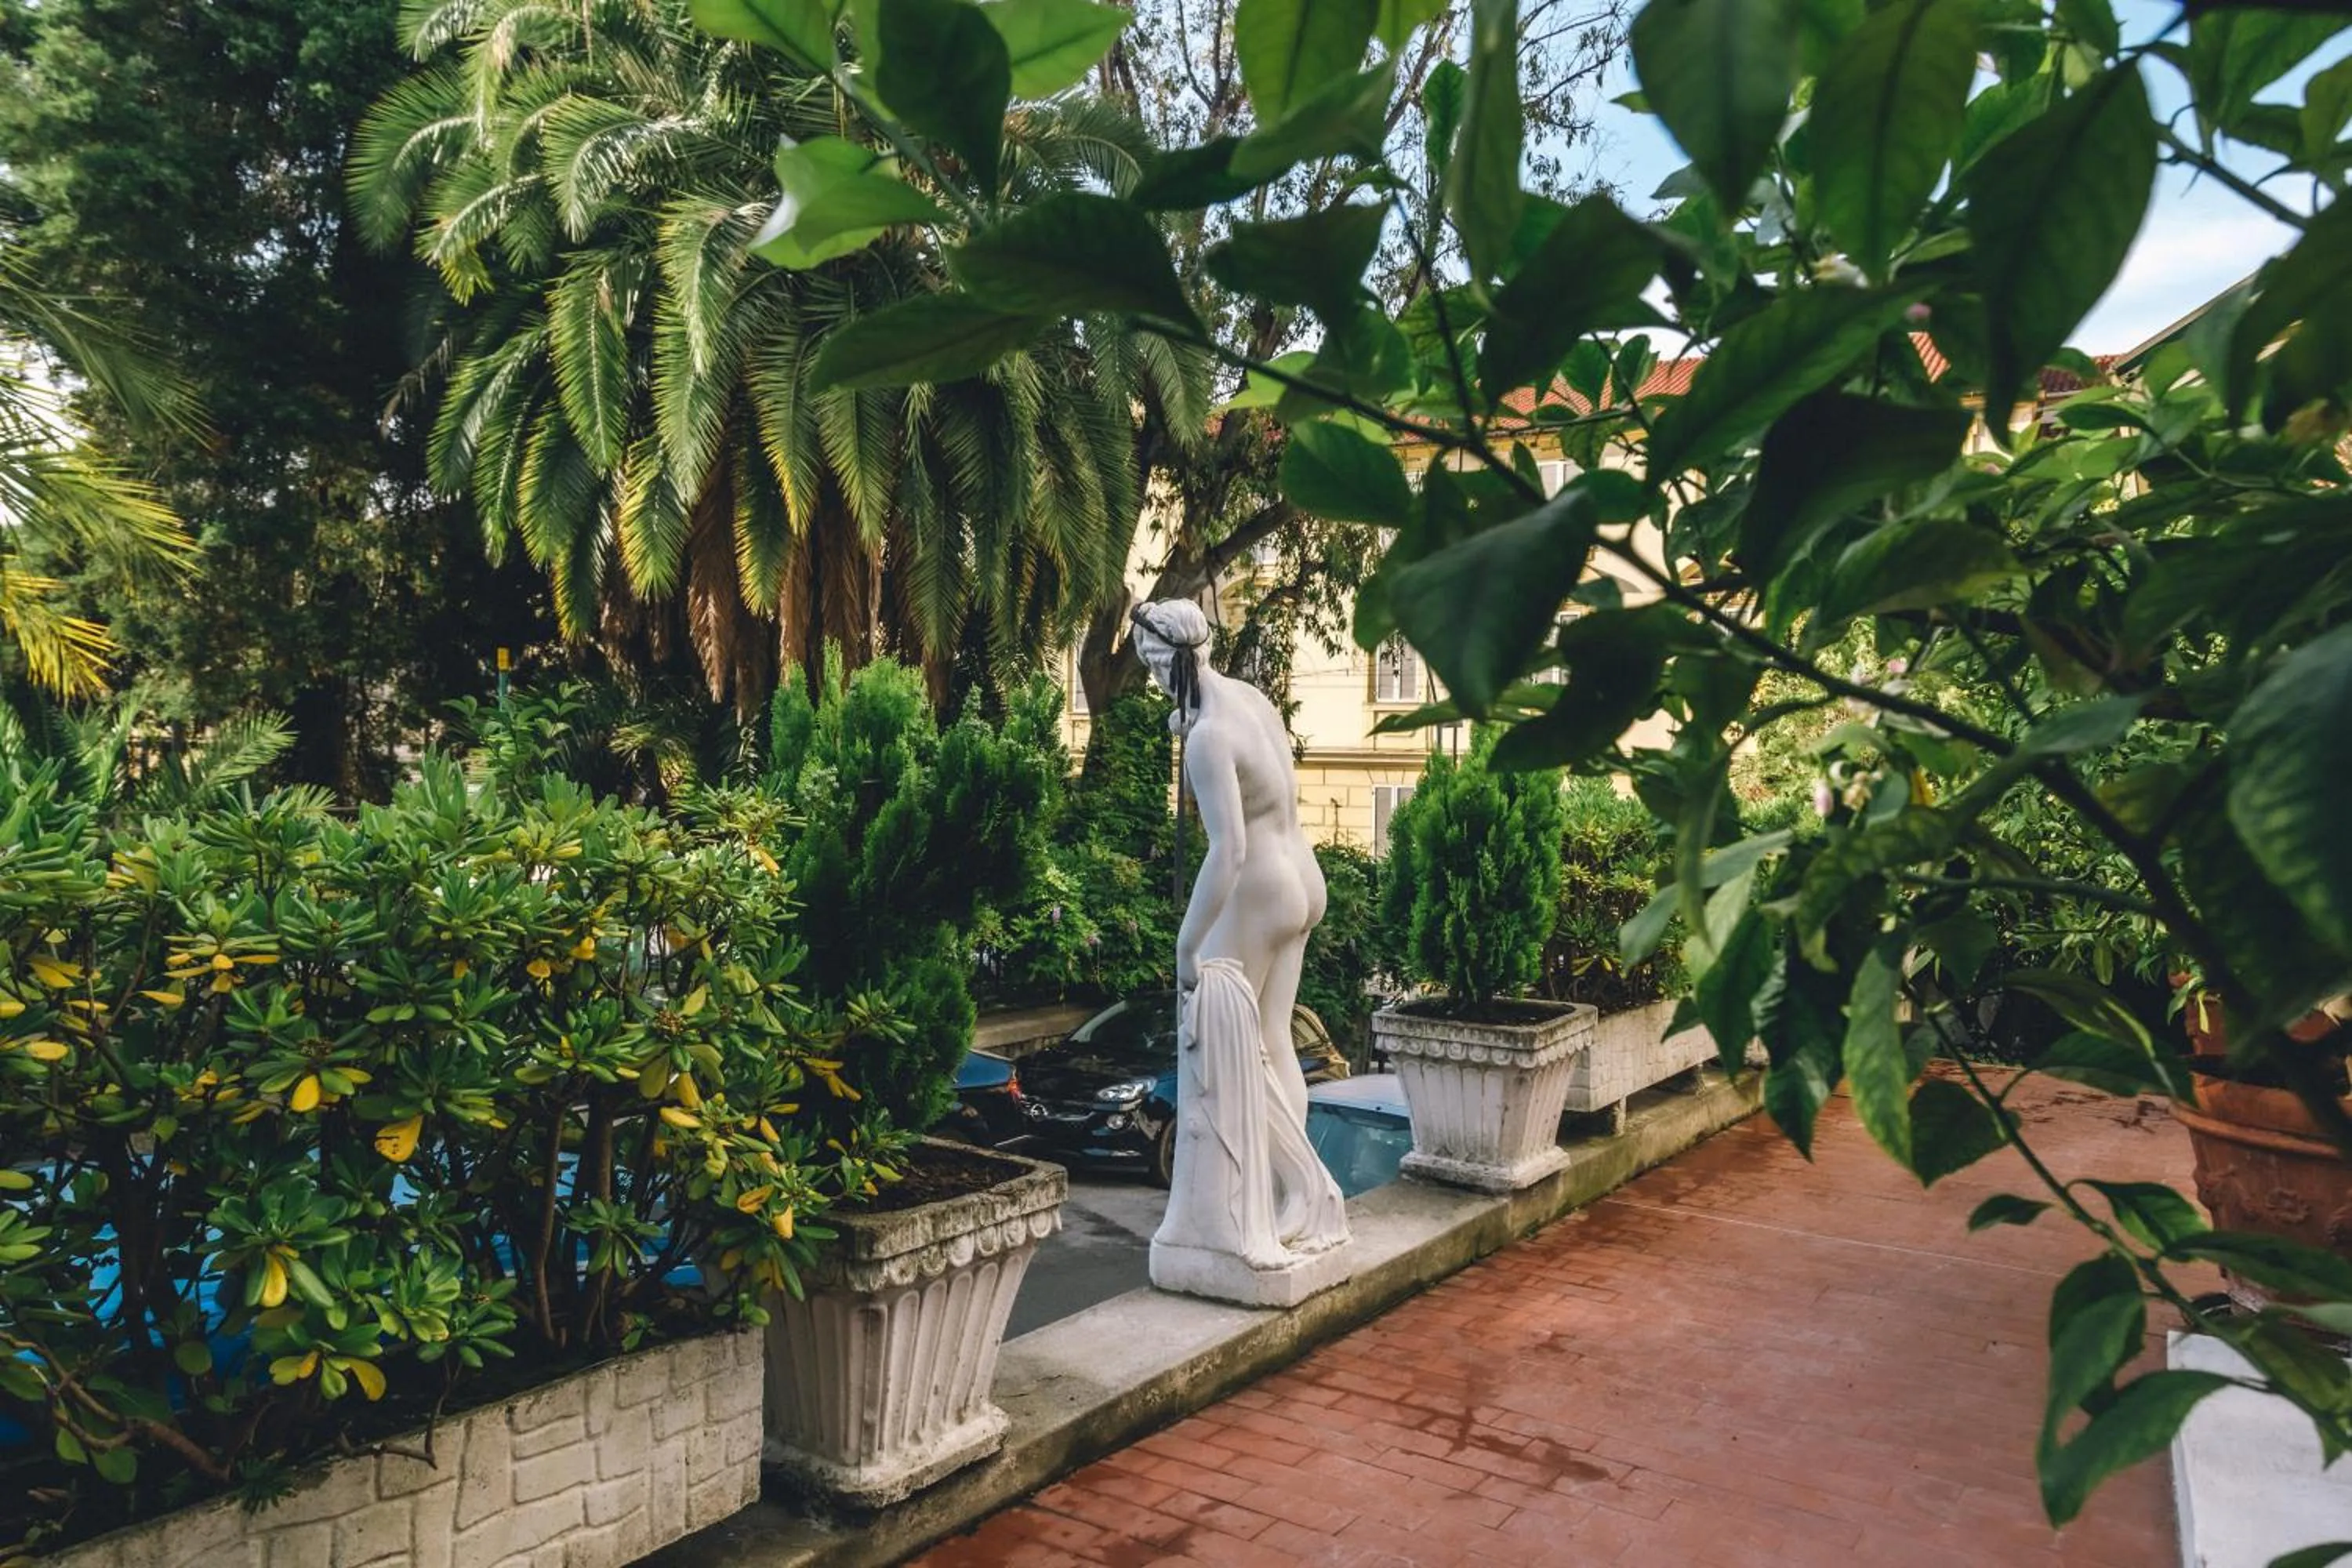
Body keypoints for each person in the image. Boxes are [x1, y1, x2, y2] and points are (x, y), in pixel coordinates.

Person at [1126, 600, 1349, 1294]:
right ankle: (1299, 1199)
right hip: (1303, 879)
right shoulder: (1246, 700)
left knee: (1225, 1050)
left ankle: (1242, 1213)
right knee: (1273, 1042)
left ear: (1164, 661)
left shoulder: (1205, 738)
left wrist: (1186, 947)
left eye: (1149, 666)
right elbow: (1254, 773)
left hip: (1255, 887)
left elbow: (1226, 851)